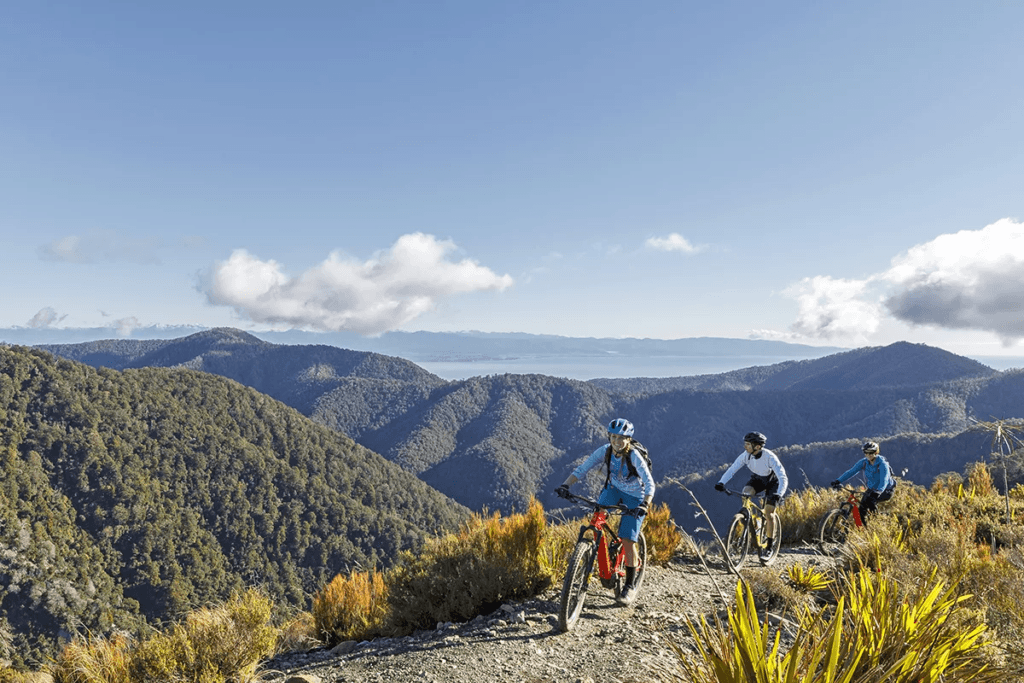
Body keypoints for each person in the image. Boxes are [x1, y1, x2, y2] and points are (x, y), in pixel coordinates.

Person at [555, 418, 655, 605]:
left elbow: (650, 484)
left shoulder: (634, 456)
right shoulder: (605, 451)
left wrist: (644, 504)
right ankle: (590, 557)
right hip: (613, 490)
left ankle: (630, 586)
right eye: (614, 437)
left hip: (635, 496)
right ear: (609, 436)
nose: (617, 441)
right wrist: (565, 485)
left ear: (629, 439)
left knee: (627, 539)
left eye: (622, 438)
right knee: (596, 520)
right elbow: (583, 468)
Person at [714, 431, 788, 554]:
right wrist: (721, 482)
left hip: (773, 482)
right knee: (746, 493)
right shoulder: (745, 455)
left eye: (748, 444)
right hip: (757, 480)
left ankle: (769, 546)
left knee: (769, 513)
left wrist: (779, 494)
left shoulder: (769, 457)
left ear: (757, 446)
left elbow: (783, 477)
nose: (745, 446)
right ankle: (751, 519)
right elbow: (733, 469)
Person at [830, 441, 896, 524]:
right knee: (861, 509)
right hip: (872, 489)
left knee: (870, 501)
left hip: (886, 490)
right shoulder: (864, 462)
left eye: (871, 453)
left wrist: (878, 492)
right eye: (866, 453)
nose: (869, 455)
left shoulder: (882, 464)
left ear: (876, 452)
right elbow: (851, 471)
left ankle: (877, 523)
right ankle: (865, 528)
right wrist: (838, 480)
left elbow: (884, 480)